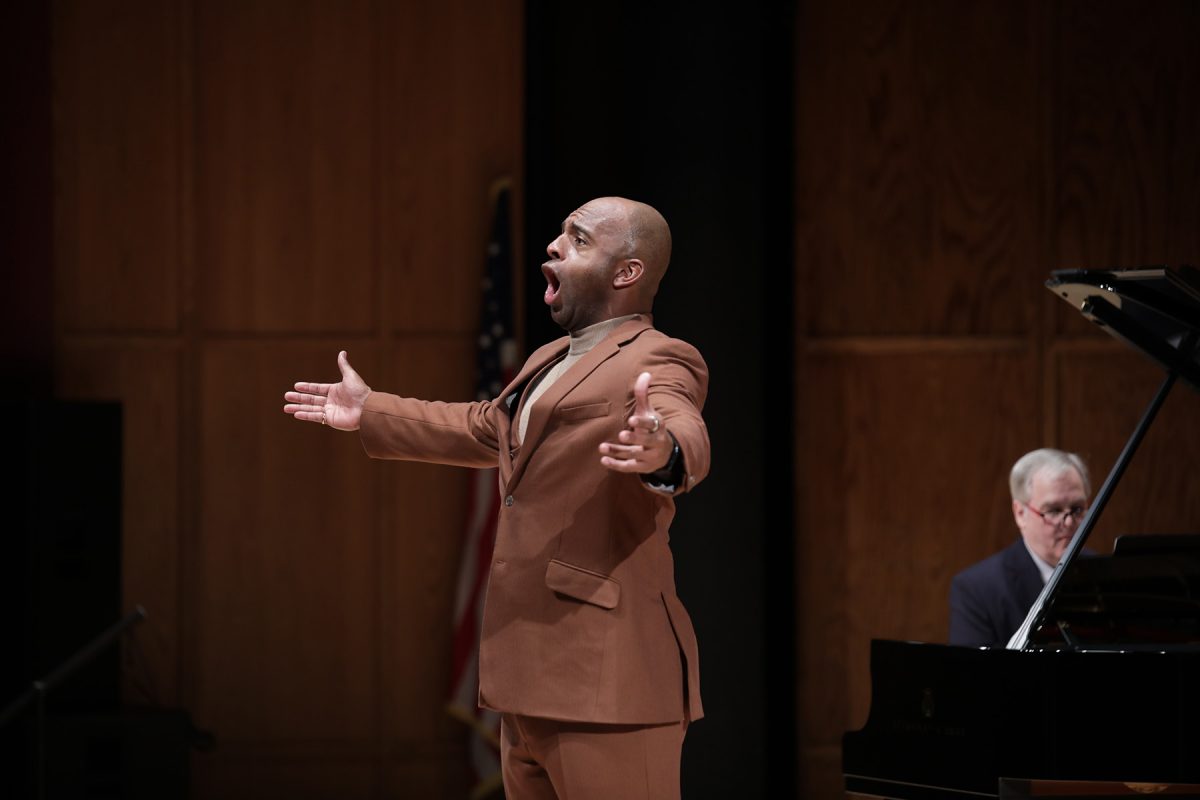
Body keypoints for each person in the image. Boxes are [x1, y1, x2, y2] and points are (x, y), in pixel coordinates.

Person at [283, 197, 709, 799]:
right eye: (559, 235)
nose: (554, 247)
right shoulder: (548, 360)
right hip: (527, 680)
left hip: (607, 681)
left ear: (626, 272)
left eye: (579, 239)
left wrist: (662, 452)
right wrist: (370, 410)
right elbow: (485, 427)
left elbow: (680, 422)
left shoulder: (658, 356)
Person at [948, 448, 1091, 648]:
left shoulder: (1106, 574)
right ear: (1020, 513)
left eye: (1077, 509)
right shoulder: (977, 589)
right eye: (1053, 510)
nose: (1068, 523)